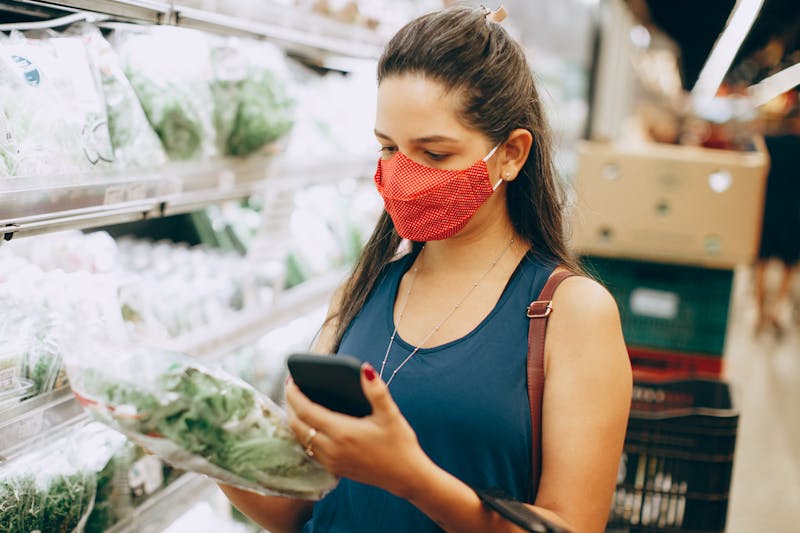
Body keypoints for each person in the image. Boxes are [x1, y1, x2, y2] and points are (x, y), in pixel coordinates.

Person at [222, 6, 632, 532]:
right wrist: (196, 442)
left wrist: (410, 476)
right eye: (388, 148)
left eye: (434, 154)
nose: (404, 175)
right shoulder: (360, 292)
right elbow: (297, 510)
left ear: (510, 154)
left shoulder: (570, 314)